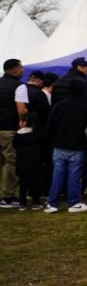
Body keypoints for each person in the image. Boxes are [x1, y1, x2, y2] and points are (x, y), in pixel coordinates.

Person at [44, 78, 87, 213]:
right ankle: (74, 202)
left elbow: (49, 126)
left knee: (57, 174)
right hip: (78, 146)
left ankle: (53, 203)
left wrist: (53, 140)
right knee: (75, 175)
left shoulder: (59, 106)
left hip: (59, 145)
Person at [0, 59, 24, 208]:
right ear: (15, 70)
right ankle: (8, 197)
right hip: (9, 128)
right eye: (21, 67)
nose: (22, 70)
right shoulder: (19, 86)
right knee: (11, 161)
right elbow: (21, 110)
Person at [14, 112, 46, 210]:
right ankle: (36, 203)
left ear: (24, 122)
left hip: (22, 163)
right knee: (35, 183)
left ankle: (22, 203)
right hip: (35, 163)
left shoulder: (18, 135)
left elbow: (14, 146)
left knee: (23, 184)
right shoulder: (38, 134)